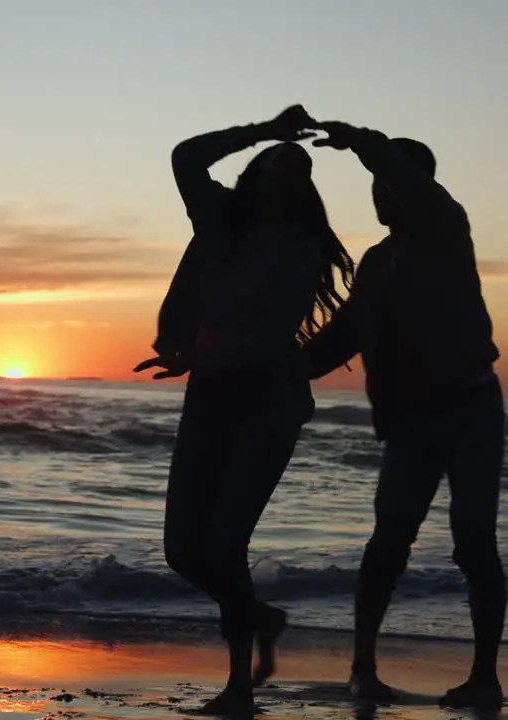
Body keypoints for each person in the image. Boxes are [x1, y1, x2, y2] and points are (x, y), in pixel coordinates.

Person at [133, 105, 356, 715]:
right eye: (278, 161)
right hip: (210, 396)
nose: (289, 170)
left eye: (300, 167)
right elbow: (185, 156)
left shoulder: (299, 242)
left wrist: (283, 363)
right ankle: (258, 614)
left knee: (227, 543)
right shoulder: (220, 225)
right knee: (183, 550)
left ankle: (236, 688)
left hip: (268, 403)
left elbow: (260, 315)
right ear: (254, 171)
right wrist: (264, 130)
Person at [301, 120, 508, 711]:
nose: (379, 194)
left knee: (474, 542)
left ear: (415, 184)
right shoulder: (377, 261)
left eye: (390, 185)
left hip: (471, 408)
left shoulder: (446, 226)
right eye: (376, 188)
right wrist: (267, 368)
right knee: (389, 540)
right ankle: (363, 669)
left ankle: (485, 678)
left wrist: (361, 142)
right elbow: (339, 338)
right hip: (412, 421)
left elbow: (397, 173)